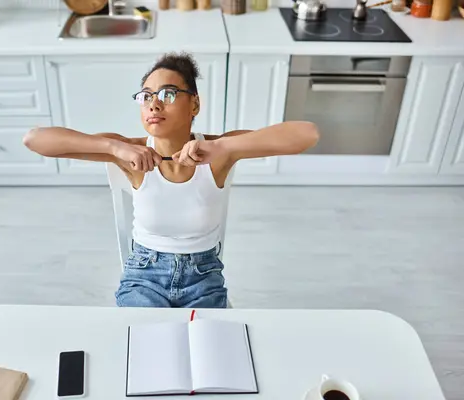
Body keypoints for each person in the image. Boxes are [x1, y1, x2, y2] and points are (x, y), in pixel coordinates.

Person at [23, 52, 320, 308]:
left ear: (194, 105)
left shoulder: (218, 152)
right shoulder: (128, 151)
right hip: (144, 277)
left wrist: (224, 146)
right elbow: (35, 140)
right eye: (146, 96)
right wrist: (114, 147)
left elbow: (307, 134)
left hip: (204, 279)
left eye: (168, 94)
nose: (154, 104)